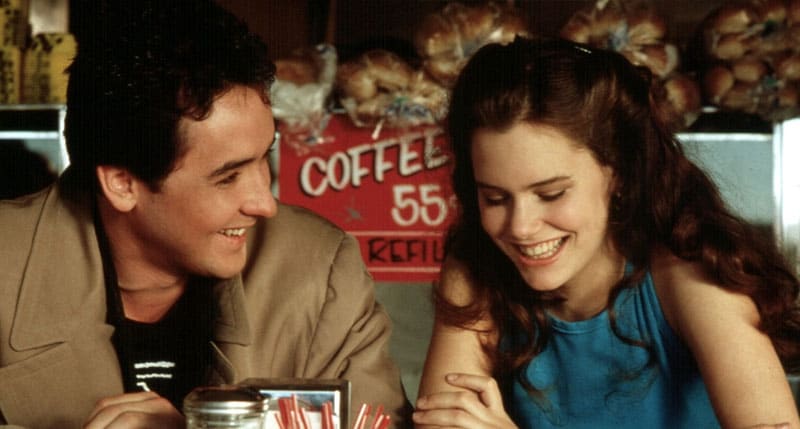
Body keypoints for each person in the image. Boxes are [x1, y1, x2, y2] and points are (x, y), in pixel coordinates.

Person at [0, 1, 411, 427]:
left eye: (264, 158)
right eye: (228, 177)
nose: (264, 204)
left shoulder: (320, 271)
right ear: (122, 183)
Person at [413, 37, 800, 429]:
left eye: (551, 194)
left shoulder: (690, 278)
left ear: (618, 175)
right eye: (495, 198)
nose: (521, 227)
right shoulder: (476, 270)